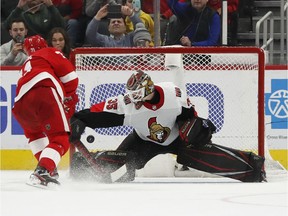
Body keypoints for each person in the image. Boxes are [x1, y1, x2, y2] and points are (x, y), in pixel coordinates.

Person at [69, 70, 266, 183]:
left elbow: (191, 115)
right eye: (132, 94)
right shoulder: (127, 105)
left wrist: (199, 131)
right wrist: (80, 119)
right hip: (143, 141)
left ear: (148, 88)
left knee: (206, 151)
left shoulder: (174, 94)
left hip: (177, 138)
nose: (134, 98)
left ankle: (254, 167)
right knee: (125, 170)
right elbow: (99, 112)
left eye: (138, 93)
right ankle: (81, 165)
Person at [12, 35, 79, 188]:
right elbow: (71, 78)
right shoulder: (49, 52)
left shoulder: (26, 65)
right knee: (60, 138)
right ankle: (43, 171)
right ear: (45, 44)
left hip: (20, 104)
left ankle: (50, 168)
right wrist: (67, 96)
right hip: (43, 92)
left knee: (35, 135)